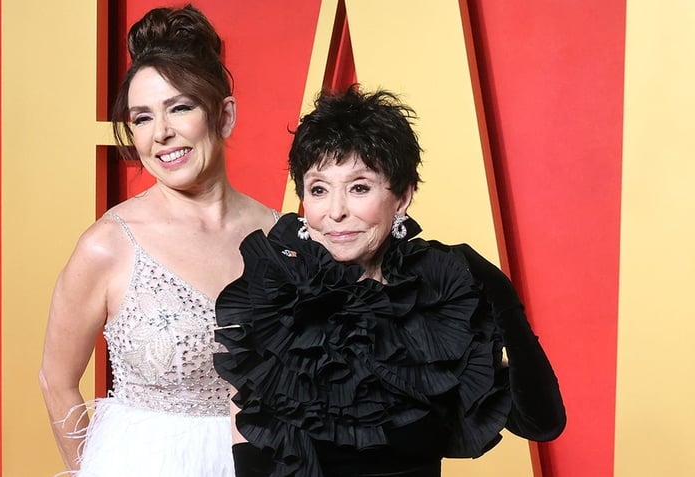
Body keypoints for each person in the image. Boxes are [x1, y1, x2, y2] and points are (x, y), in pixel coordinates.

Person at [213, 86, 566, 476]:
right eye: (318, 190)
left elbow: (542, 422)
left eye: (359, 187)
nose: (335, 211)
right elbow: (252, 453)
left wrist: (502, 298)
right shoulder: (275, 299)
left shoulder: (442, 302)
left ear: (401, 197)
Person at [38, 5, 278, 476]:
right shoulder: (109, 245)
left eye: (180, 107)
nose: (161, 134)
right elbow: (57, 379)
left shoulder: (282, 235)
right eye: (142, 118)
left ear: (223, 116)